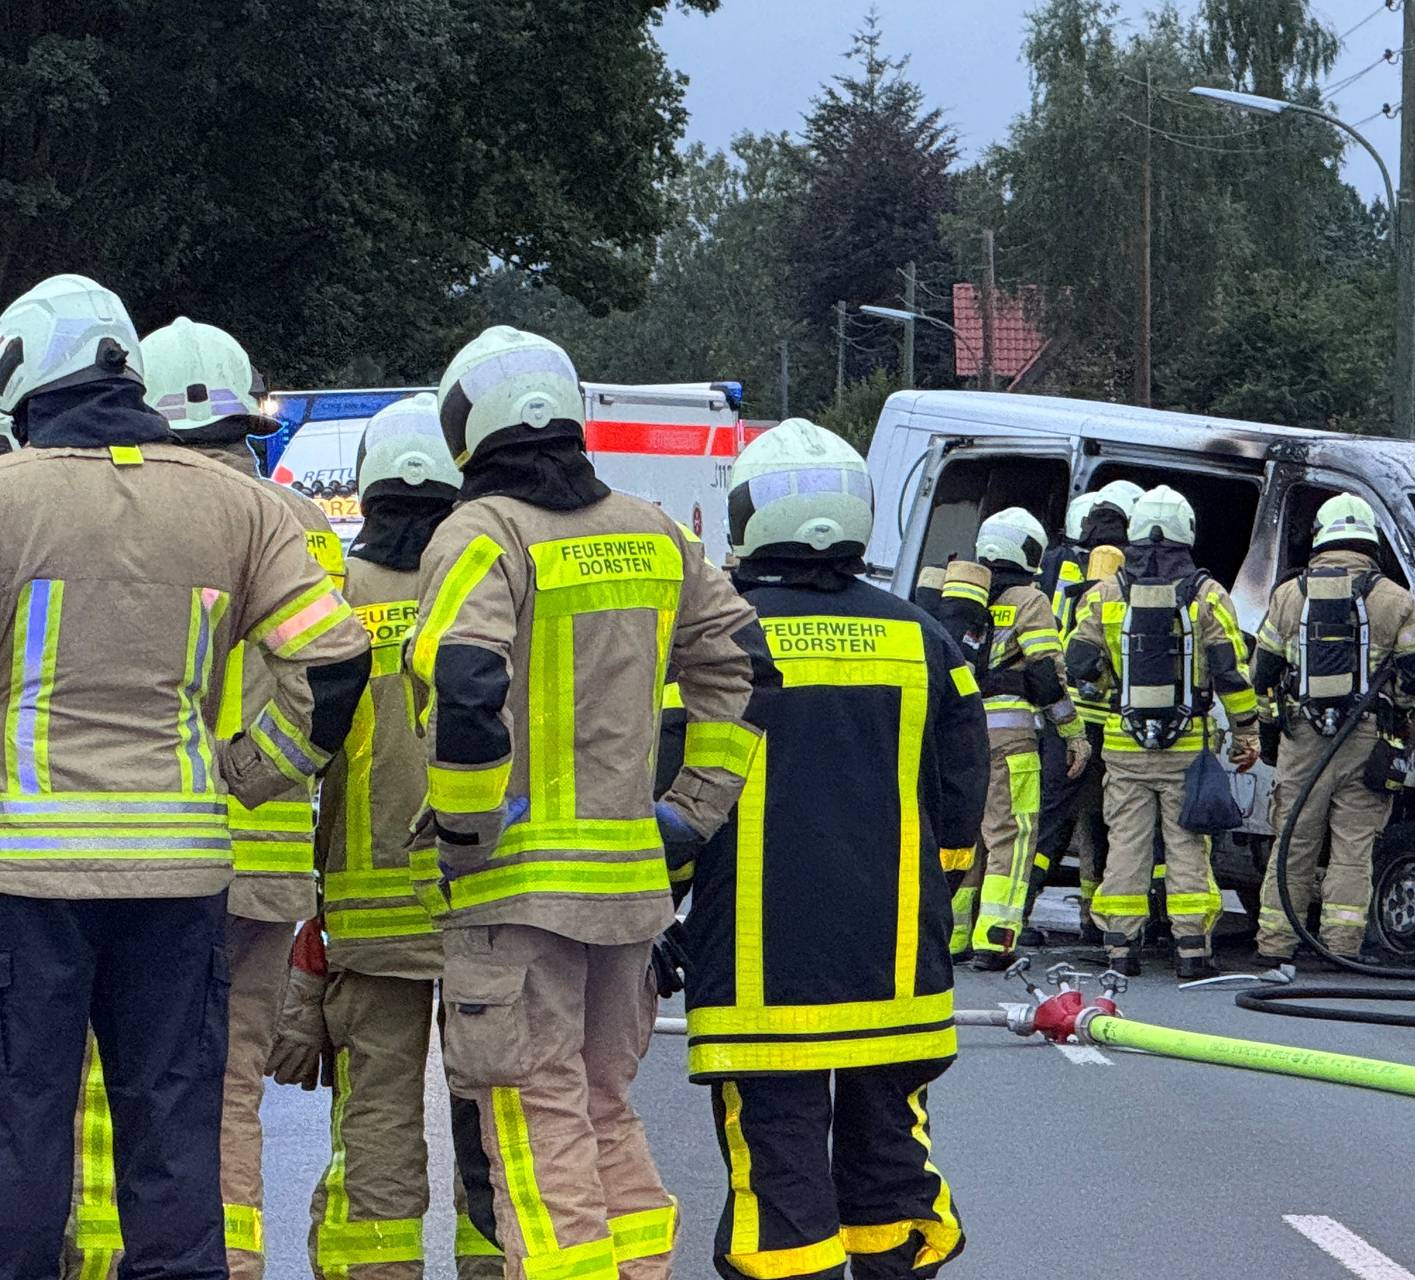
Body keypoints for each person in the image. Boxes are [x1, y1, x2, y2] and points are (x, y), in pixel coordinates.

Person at [0, 273, 368, 1278]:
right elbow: (334, 661)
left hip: (29, 874)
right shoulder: (236, 506)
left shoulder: (8, 496)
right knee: (174, 1120)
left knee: (26, 1118)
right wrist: (253, 770)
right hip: (181, 871)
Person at [410, 325, 766, 1280]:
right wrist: (694, 805)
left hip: (515, 896)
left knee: (532, 1112)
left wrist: (465, 829)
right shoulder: (654, 530)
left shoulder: (483, 535)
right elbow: (743, 665)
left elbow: (467, 683)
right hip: (628, 891)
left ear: (469, 427)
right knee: (604, 1102)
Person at [684, 419, 986, 1280]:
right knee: (892, 1169)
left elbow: (679, 800)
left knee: (778, 1186)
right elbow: (961, 808)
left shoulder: (718, 641)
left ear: (749, 517)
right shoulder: (928, 641)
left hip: (757, 981)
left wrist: (665, 916)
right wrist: (935, 903)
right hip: (895, 974)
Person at [260, 393, 513, 1278]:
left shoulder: (335, 603)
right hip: (483, 907)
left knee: (374, 1125)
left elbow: (301, 764)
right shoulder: (490, 591)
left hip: (366, 929)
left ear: (367, 492)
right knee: (491, 1126)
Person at [139, 316, 349, 1279]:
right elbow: (327, 680)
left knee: (121, 1089)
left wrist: (208, 773)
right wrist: (259, 770)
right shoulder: (296, 523)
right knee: (226, 1096)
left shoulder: (130, 508)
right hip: (263, 867)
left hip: (142, 851)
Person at [1063, 485, 1260, 980]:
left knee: (1126, 845)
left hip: (1124, 745)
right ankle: (1192, 949)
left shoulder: (1105, 592)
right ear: (1186, 532)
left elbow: (1077, 661)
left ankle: (1120, 949)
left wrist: (1114, 682)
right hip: (1187, 744)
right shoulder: (1207, 595)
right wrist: (1247, 731)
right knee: (1187, 844)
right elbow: (1232, 672)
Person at [1249, 495, 1415, 972]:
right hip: (1365, 739)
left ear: (1321, 535)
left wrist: (1271, 727)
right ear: (1369, 539)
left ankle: (1275, 945)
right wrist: (1400, 706)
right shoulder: (1394, 597)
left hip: (1302, 738)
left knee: (1293, 842)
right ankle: (1342, 948)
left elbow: (1263, 668)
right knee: (1353, 849)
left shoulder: (1290, 594)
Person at [951, 507, 1078, 966]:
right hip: (1010, 739)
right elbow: (1046, 673)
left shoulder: (961, 592)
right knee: (1012, 835)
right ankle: (996, 939)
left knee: (968, 834)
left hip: (960, 734)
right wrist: (1073, 730)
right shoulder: (1029, 599)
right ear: (1030, 551)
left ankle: (953, 937)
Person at [1036, 483, 1138, 940]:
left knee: (1053, 816)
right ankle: (1099, 923)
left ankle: (1012, 913)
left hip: (1064, 713)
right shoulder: (1122, 573)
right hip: (1110, 718)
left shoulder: (1056, 562)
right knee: (1108, 822)